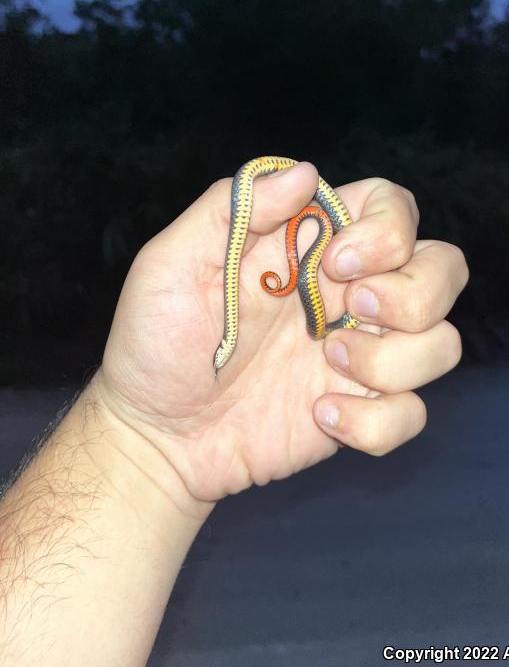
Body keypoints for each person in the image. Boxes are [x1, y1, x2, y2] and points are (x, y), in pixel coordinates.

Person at [0, 162, 468, 665]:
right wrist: (143, 440)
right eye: (225, 353)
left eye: (222, 354)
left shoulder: (271, 261)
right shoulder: (224, 327)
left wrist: (138, 440)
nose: (221, 360)